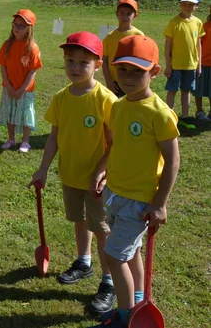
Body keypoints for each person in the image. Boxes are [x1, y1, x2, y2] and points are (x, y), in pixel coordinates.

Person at [90, 35, 179, 328]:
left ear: (154, 71)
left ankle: (125, 317)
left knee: (114, 257)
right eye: (123, 69)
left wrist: (160, 204)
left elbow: (172, 161)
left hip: (140, 202)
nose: (127, 77)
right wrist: (103, 169)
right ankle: (138, 303)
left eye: (138, 71)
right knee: (130, 253)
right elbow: (116, 145)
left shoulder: (159, 113)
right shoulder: (118, 106)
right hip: (115, 193)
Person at [30, 32, 117, 314]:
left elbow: (114, 143)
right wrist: (43, 168)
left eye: (83, 62)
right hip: (70, 175)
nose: (75, 67)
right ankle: (84, 261)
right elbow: (54, 137)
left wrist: (101, 171)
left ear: (97, 64)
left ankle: (109, 281)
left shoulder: (106, 99)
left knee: (102, 230)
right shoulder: (60, 98)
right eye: (70, 61)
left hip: (97, 181)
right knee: (79, 221)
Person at [0, 9, 42, 153]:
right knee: (9, 113)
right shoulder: (7, 45)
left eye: (22, 26)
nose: (17, 28)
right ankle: (11, 139)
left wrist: (22, 89)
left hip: (25, 90)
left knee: (26, 115)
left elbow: (33, 70)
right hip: (9, 87)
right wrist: (8, 86)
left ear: (29, 28)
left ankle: (25, 142)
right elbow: (2, 66)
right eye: (15, 24)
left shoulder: (32, 48)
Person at [164, 0, 205, 130]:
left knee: (186, 91)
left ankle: (185, 117)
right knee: (172, 90)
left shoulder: (198, 23)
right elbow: (168, 46)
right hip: (175, 65)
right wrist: (168, 65)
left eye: (191, 4)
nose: (187, 7)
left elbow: (198, 45)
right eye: (184, 3)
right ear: (180, 4)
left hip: (191, 65)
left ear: (198, 5)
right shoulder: (174, 22)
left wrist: (199, 65)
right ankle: (169, 117)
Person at [102, 0, 145, 97]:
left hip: (132, 80)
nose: (124, 16)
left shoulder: (138, 35)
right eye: (121, 12)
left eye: (129, 13)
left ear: (135, 16)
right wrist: (108, 81)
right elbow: (104, 61)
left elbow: (142, 61)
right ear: (116, 13)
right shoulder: (109, 37)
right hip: (115, 82)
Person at [193, 5, 211, 121]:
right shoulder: (205, 27)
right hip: (203, 64)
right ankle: (199, 111)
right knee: (198, 90)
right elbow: (197, 45)